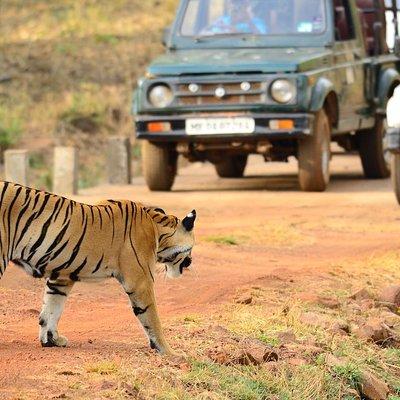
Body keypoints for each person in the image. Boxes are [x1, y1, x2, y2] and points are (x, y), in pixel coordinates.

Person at [202, 0, 267, 35]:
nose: (236, 6)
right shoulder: (222, 20)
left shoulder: (257, 23)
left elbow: (263, 40)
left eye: (241, 3)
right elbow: (201, 35)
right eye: (234, 2)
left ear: (246, 5)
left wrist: (248, 22)